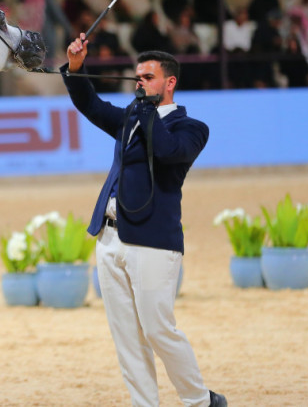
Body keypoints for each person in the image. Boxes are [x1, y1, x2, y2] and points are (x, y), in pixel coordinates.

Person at [62, 36, 225, 407]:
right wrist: (75, 68)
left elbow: (168, 152)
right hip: (110, 238)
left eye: (148, 77)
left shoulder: (192, 127)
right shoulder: (130, 118)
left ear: (170, 83)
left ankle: (200, 400)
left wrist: (147, 109)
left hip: (153, 239)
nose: (139, 83)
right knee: (127, 337)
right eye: (137, 77)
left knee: (157, 329)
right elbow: (90, 104)